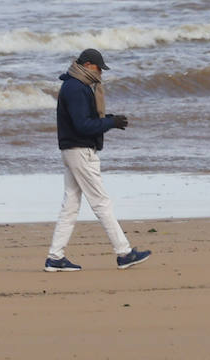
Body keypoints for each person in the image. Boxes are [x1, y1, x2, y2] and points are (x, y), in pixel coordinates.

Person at [44, 48, 151, 272]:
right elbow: (83, 125)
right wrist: (110, 123)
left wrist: (109, 120)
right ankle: (124, 253)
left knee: (71, 205)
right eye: (100, 68)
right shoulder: (76, 88)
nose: (101, 72)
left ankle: (55, 257)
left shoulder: (76, 85)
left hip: (73, 150)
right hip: (80, 151)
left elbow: (85, 121)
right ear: (90, 65)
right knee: (101, 203)